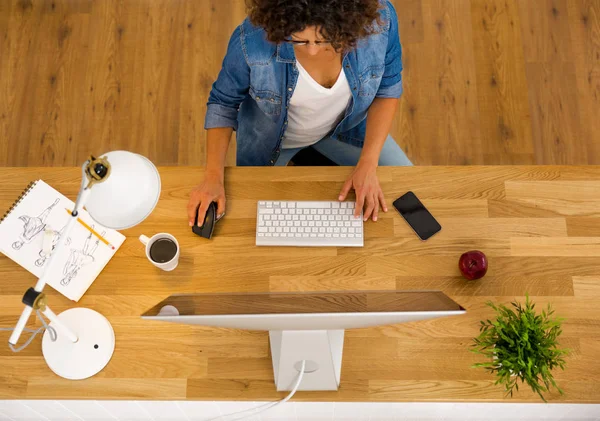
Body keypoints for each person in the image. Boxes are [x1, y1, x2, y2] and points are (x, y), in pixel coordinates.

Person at [188, 0, 411, 227]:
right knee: (250, 218)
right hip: (275, 144)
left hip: (346, 129)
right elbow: (223, 103)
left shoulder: (379, 23)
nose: (312, 50)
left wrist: (368, 163)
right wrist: (213, 177)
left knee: (409, 184)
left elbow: (388, 88)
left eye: (325, 39)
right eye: (299, 39)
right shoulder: (252, 40)